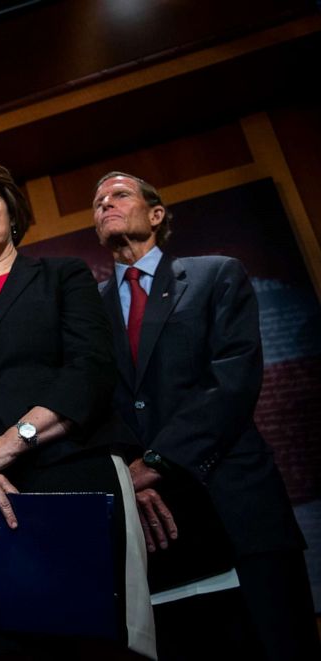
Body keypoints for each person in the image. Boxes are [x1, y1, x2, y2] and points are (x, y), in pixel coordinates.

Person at [0, 160, 155, 659]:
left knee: (95, 643)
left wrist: (1, 448)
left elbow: (90, 372)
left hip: (71, 479)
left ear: (12, 210)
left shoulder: (64, 276)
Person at [92, 171, 320, 661]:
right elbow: (96, 406)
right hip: (158, 524)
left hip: (237, 502)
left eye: (119, 195)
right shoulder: (90, 312)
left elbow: (232, 380)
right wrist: (132, 475)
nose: (105, 204)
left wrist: (154, 461)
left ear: (156, 215)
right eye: (98, 202)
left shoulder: (216, 274)